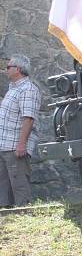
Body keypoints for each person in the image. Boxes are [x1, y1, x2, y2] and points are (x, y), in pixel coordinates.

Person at [0, 54, 41, 208]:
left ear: (18, 69)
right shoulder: (14, 89)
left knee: (20, 185)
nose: (6, 70)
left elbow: (28, 119)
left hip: (15, 147)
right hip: (4, 146)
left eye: (8, 67)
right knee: (4, 189)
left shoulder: (28, 89)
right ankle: (7, 216)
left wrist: (21, 145)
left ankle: (24, 215)